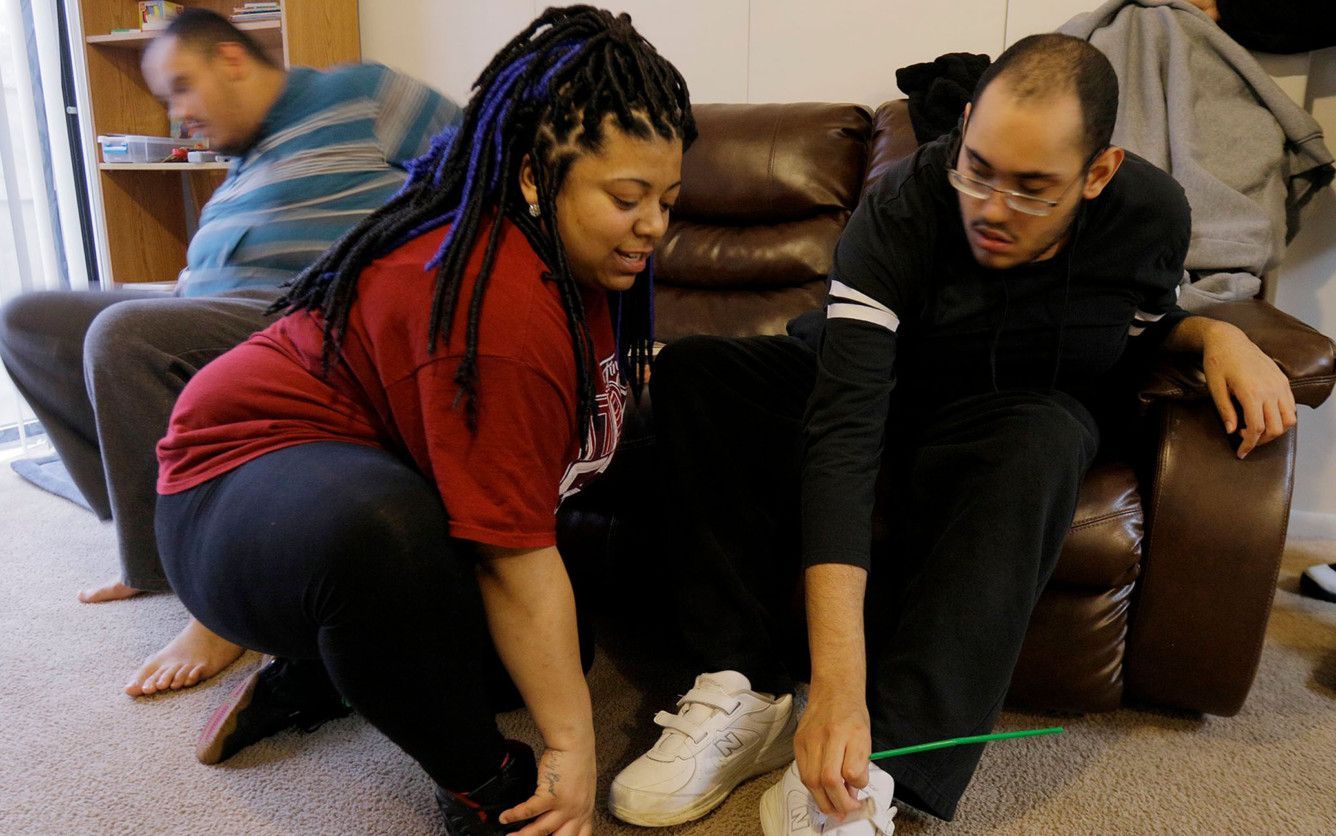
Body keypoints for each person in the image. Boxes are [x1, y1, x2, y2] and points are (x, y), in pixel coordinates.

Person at [608, 34, 1297, 833]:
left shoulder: (1150, 217)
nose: (992, 209)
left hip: (999, 420)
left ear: (1098, 174)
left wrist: (1216, 337)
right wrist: (835, 695)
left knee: (1049, 435)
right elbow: (844, 430)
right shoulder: (903, 203)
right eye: (979, 168)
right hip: (872, 384)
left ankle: (883, 767)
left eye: (1034, 188)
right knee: (701, 376)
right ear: (965, 127)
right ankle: (746, 690)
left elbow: (1135, 326)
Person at [151, 6, 693, 834]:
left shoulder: (584, 268)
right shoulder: (498, 305)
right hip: (229, 487)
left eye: (668, 197)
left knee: (552, 658)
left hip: (345, 482)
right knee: (389, 542)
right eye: (628, 196)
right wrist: (572, 755)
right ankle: (481, 786)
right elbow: (512, 558)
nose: (654, 224)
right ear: (530, 178)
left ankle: (318, 672)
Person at [0, 9, 460, 696]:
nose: (180, 114)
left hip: (303, 316)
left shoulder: (362, 94)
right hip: (207, 311)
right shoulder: (242, 165)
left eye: (183, 87)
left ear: (233, 60)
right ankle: (148, 541)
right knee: (29, 321)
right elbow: (202, 282)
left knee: (124, 335)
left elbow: (487, 159)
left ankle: (213, 602)